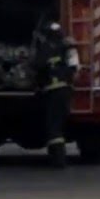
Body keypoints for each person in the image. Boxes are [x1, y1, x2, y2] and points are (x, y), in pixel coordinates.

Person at [33, 21, 77, 168]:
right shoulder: (69, 48)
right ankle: (58, 158)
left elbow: (37, 66)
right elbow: (74, 67)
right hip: (65, 91)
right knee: (57, 124)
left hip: (50, 92)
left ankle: (58, 160)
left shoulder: (43, 48)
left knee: (53, 126)